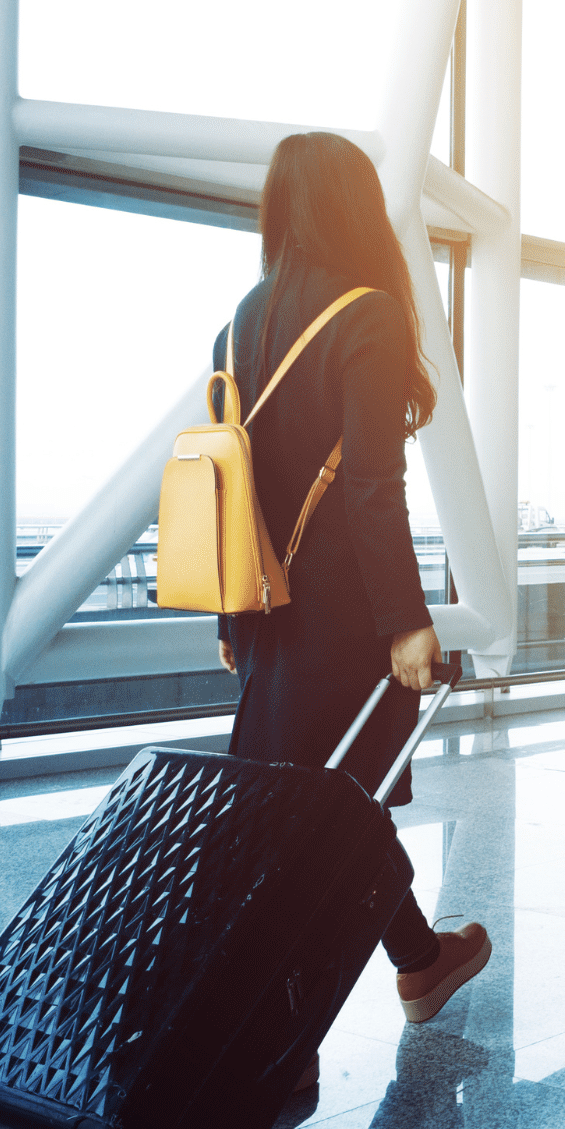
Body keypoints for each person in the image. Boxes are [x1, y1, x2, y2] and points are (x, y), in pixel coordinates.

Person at [212, 131, 493, 1060]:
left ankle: (417, 965)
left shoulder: (238, 326)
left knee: (320, 811)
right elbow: (374, 484)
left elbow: (230, 496)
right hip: (340, 623)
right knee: (336, 815)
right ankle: (287, 1041)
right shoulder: (367, 315)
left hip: (264, 617)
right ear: (353, 207)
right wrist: (406, 623)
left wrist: (230, 619)